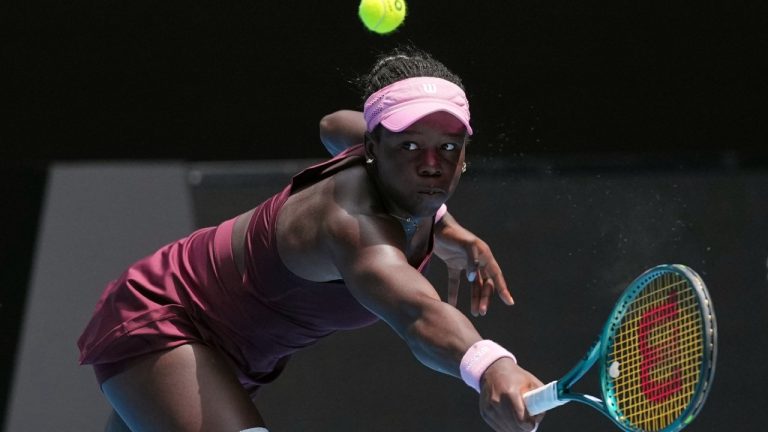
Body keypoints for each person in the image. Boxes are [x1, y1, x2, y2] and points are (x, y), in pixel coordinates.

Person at [78, 46, 544, 432]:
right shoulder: (350, 223)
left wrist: (442, 222)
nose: (430, 163)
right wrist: (490, 366)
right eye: (408, 144)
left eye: (448, 147)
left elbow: (332, 124)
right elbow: (416, 311)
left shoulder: (373, 149)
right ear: (375, 146)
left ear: (464, 156)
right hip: (165, 320)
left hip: (235, 360)